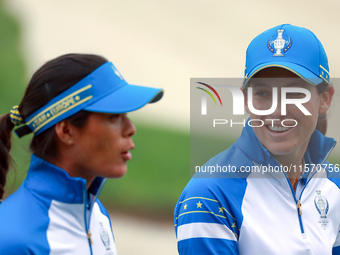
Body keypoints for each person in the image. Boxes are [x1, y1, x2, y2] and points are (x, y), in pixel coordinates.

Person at [174, 24, 340, 254]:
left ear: (325, 99)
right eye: (262, 94)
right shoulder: (210, 194)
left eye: (294, 94)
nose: (277, 110)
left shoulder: (335, 185)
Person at [0, 53, 163, 254]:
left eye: (126, 115)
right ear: (66, 131)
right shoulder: (12, 240)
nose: (131, 128)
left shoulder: (97, 215)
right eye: (114, 116)